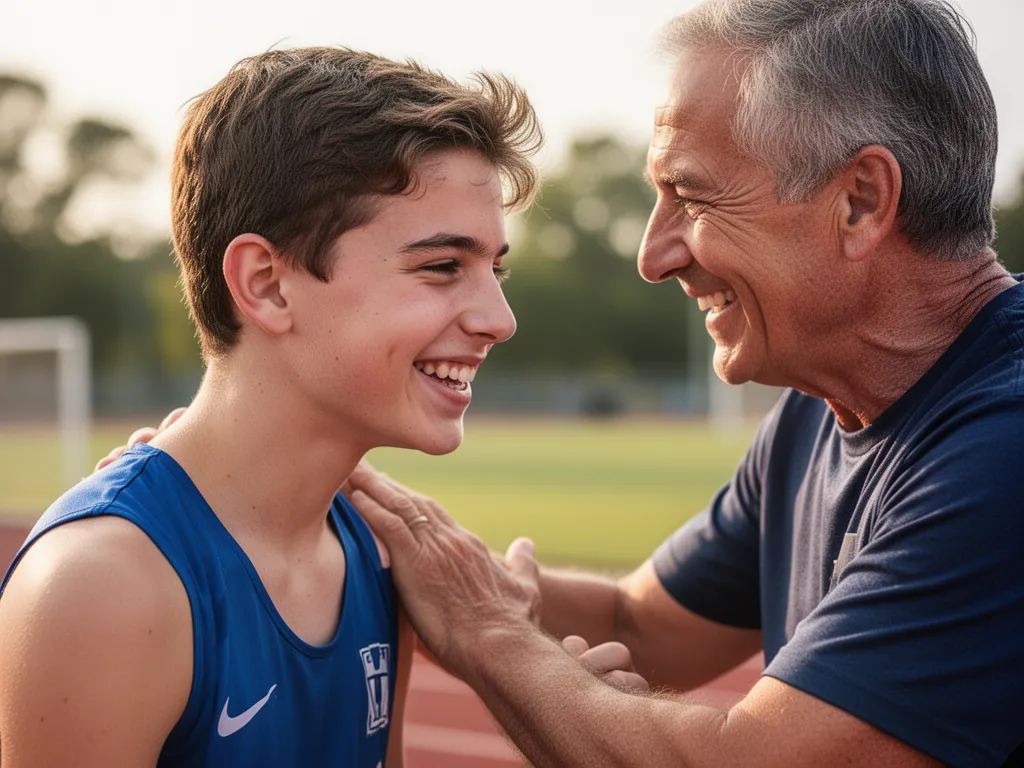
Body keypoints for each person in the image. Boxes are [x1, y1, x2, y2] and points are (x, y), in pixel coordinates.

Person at [344, 1, 1024, 766]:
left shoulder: (1004, 451)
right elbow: (639, 627)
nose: (654, 254)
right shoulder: (817, 414)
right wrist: (396, 542)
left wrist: (487, 634)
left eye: (693, 197)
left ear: (861, 201)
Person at [0, 46, 546, 767]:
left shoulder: (377, 560)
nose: (499, 319)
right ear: (266, 284)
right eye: (443, 266)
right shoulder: (103, 586)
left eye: (494, 268)